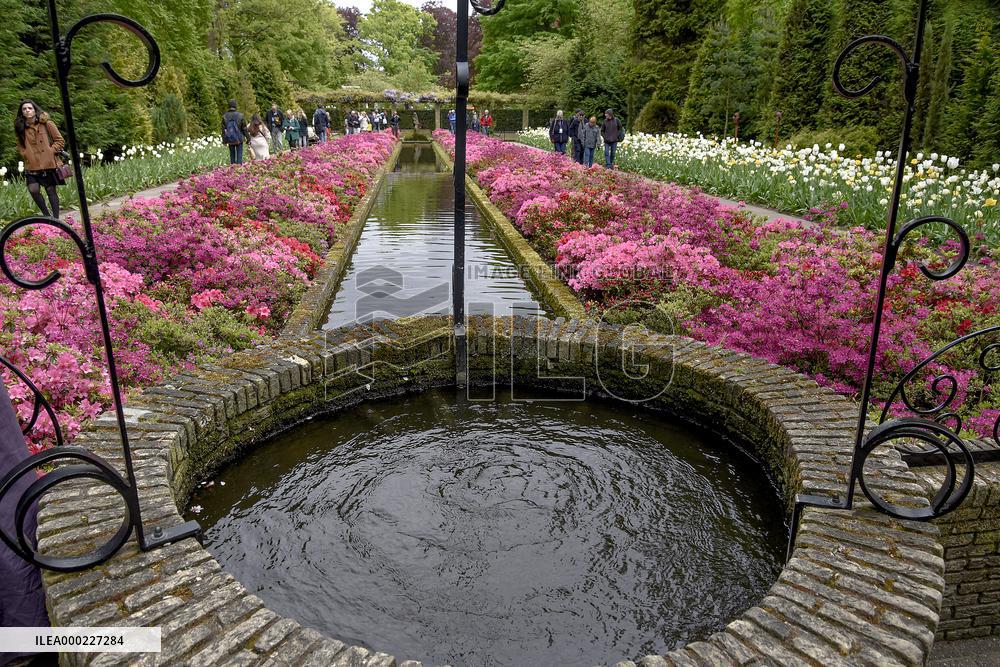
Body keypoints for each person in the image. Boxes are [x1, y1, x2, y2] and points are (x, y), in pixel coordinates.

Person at [14, 100, 65, 218]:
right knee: (33, 190)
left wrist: (51, 151)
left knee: (51, 190)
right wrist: (25, 153)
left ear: (35, 110)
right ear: (21, 112)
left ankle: (56, 219)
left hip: (48, 163)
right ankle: (47, 216)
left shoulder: (47, 124)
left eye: (30, 108)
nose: (27, 110)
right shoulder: (20, 127)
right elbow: (20, 145)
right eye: (24, 109)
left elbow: (60, 141)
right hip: (31, 164)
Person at [221, 99, 249, 165]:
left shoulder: (225, 116)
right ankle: (239, 171)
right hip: (239, 139)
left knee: (232, 156)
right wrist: (248, 138)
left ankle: (232, 170)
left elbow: (223, 130)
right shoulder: (240, 115)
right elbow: (244, 129)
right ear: (235, 106)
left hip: (230, 138)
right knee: (239, 156)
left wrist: (224, 140)